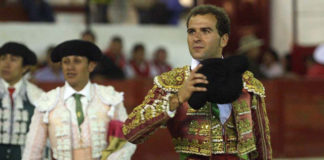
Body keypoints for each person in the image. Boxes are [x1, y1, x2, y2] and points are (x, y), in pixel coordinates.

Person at [122, 5, 272, 160]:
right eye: (191, 31)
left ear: (224, 39)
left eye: (205, 31)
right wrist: (177, 99)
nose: (196, 38)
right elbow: (130, 131)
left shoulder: (248, 83)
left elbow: (262, 145)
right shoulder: (172, 83)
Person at [22, 40, 136, 160]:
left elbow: (125, 141)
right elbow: (33, 149)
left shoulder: (109, 99)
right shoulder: (48, 102)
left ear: (91, 66)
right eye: (66, 62)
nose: (70, 67)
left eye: (77, 61)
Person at [0, 42, 44, 160]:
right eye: (3, 58)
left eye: (13, 59)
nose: (6, 64)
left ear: (25, 68)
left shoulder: (37, 95)